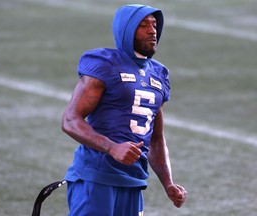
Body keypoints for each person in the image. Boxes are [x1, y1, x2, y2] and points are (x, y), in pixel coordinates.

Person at [62, 4, 187, 216]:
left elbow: (155, 138)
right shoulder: (104, 64)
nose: (152, 30)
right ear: (126, 30)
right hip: (97, 177)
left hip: (134, 180)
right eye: (143, 25)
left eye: (154, 24)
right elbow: (70, 120)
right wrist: (112, 147)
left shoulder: (158, 74)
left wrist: (168, 183)